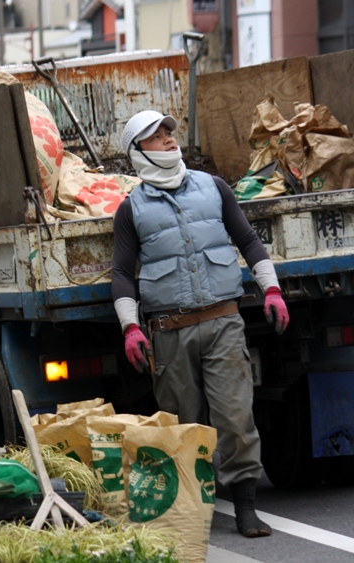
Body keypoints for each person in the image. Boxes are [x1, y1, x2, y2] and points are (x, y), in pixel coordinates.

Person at [112, 110, 290, 538]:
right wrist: (131, 327)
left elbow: (247, 239)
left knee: (235, 416)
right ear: (138, 152)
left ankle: (246, 508)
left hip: (223, 322)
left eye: (170, 132)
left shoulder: (214, 188)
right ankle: (193, 512)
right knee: (183, 425)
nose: (170, 140)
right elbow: (121, 272)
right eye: (157, 137)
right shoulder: (130, 210)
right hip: (169, 332)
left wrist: (271, 289)